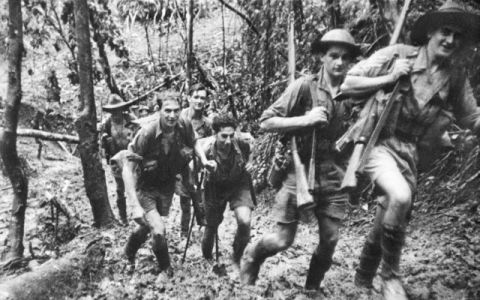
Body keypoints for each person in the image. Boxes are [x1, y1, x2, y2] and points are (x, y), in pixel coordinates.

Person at [340, 1, 480, 299]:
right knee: (399, 196)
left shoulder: (455, 76)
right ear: (430, 31)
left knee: (390, 212)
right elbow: (348, 83)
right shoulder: (398, 55)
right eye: (445, 31)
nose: (450, 40)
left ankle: (363, 278)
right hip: (378, 143)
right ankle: (390, 276)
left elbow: (471, 117)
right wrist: (389, 77)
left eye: (457, 35)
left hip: (413, 154)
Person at [240, 28, 361, 290]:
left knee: (330, 239)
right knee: (283, 240)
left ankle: (312, 288)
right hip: (299, 170)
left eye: (345, 57)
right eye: (333, 56)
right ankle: (251, 256)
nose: (339, 62)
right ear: (322, 57)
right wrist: (305, 119)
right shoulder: (304, 86)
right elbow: (266, 121)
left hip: (334, 172)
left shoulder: (353, 91)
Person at [122, 91, 213, 274]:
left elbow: (194, 142)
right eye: (167, 111)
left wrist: (203, 160)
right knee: (158, 230)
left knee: (146, 227)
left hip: (166, 185)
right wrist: (134, 205)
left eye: (176, 110)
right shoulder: (147, 133)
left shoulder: (183, 124)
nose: (172, 116)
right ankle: (166, 267)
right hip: (145, 186)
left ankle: (128, 252)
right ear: (159, 111)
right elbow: (127, 168)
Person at [198, 114, 255, 266]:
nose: (228, 141)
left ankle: (236, 256)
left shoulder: (241, 141)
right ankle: (207, 259)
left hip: (238, 183)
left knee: (245, 221)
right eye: (224, 136)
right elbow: (193, 169)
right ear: (215, 133)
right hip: (214, 187)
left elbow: (252, 148)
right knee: (211, 226)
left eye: (231, 135)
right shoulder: (206, 149)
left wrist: (250, 163)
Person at [176, 83, 212, 236]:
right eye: (196, 97)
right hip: (181, 165)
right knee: (185, 200)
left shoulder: (207, 123)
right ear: (189, 98)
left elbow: (210, 144)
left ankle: (203, 228)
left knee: (201, 199)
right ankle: (184, 233)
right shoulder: (179, 117)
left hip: (199, 167)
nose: (199, 101)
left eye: (202, 98)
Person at [100, 94, 137, 224]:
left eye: (118, 109)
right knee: (120, 189)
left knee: (137, 186)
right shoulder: (107, 124)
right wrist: (105, 141)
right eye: (113, 110)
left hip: (131, 158)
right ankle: (123, 218)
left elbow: (140, 135)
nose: (116, 113)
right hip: (116, 159)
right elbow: (103, 146)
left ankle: (141, 215)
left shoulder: (130, 119)